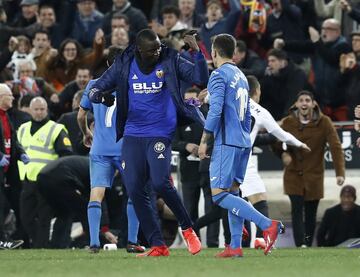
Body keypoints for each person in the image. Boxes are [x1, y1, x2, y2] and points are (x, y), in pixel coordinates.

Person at [88, 28, 208, 257]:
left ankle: (187, 227)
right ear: (139, 50)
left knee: (161, 182)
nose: (158, 52)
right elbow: (97, 86)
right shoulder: (124, 63)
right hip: (133, 132)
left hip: (160, 131)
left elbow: (201, 79)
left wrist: (196, 51)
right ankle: (158, 245)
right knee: (134, 189)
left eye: (159, 47)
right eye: (152, 50)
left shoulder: (170, 59)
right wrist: (100, 96)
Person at [198, 34, 284, 258]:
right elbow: (247, 115)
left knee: (218, 196)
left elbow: (215, 111)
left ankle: (267, 225)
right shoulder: (242, 76)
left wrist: (204, 140)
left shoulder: (218, 75)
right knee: (234, 192)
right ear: (234, 52)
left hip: (227, 142)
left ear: (214, 52)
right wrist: (245, 137)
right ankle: (235, 246)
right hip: (243, 141)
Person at [78, 45, 144, 254]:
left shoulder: (94, 84)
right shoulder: (134, 86)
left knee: (96, 194)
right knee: (134, 194)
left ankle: (94, 243)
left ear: (107, 63)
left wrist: (85, 133)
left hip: (99, 148)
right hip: (126, 148)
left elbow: (81, 116)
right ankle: (132, 242)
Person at [242, 75, 310, 245]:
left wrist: (205, 97)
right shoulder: (259, 111)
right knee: (256, 200)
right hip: (243, 159)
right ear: (257, 91)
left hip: (226, 157)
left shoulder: (231, 102)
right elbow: (282, 135)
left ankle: (246, 241)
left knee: (239, 199)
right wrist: (300, 144)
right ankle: (260, 236)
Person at [272, 90, 345, 247]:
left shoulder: (324, 122)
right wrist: (284, 153)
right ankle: (300, 245)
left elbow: (336, 147)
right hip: (293, 174)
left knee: (311, 213)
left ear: (313, 104)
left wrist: (340, 173)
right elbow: (275, 142)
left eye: (307, 100)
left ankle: (307, 243)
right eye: (301, 100)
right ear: (297, 104)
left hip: (314, 176)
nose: (304, 103)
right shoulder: (288, 122)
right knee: (296, 210)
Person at [17, 96, 73, 248]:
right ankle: (41, 243)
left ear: (47, 110)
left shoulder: (56, 129)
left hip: (46, 181)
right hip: (27, 179)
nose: (39, 112)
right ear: (30, 110)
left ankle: (40, 247)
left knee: (44, 217)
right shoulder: (22, 129)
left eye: (42, 109)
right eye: (36, 109)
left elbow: (66, 155)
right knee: (25, 216)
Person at [0, 84, 28, 249]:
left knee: (8, 204)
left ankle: (6, 239)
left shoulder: (6, 116)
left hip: (6, 172)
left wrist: (21, 152)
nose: (12, 98)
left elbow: (13, 140)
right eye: (9, 95)